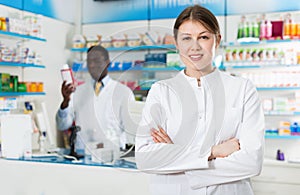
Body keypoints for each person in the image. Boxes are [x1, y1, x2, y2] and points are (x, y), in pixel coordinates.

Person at [135, 5, 265, 195]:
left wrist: (179, 159)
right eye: (186, 38)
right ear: (177, 44)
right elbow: (146, 158)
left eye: (203, 37)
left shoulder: (243, 89)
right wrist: (212, 152)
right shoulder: (161, 92)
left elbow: (252, 162)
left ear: (217, 40)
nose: (194, 46)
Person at [56, 45, 134, 153]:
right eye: (89, 61)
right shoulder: (78, 91)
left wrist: (111, 145)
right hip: (83, 154)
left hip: (112, 155)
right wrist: (65, 101)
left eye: (96, 61)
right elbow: (62, 125)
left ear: (108, 62)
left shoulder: (124, 93)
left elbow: (131, 130)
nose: (92, 65)